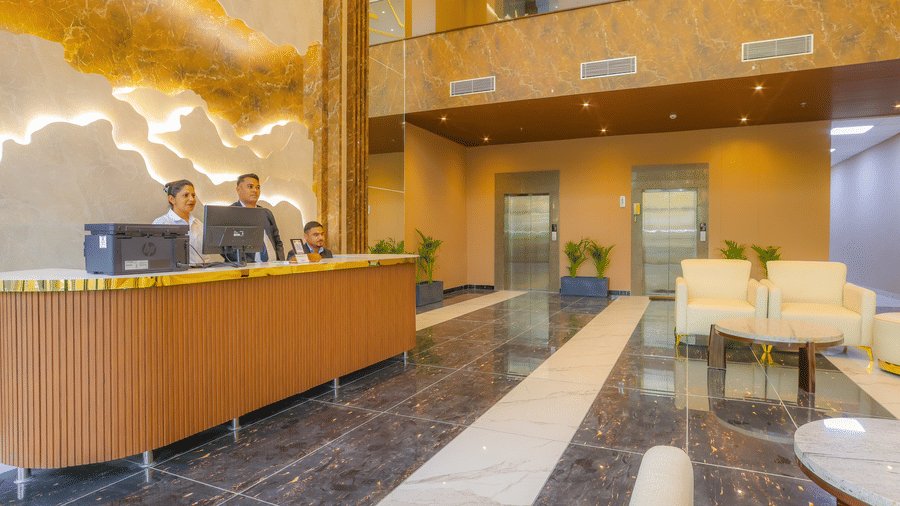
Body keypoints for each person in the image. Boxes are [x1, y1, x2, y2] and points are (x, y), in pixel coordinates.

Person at [229, 173, 284, 263]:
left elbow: (277, 241)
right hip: (248, 270)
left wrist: (280, 261)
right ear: (238, 189)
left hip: (274, 268)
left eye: (258, 187)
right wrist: (251, 264)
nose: (255, 190)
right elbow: (228, 248)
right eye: (250, 187)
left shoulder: (266, 213)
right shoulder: (230, 213)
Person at [152, 179, 209, 264]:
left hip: (201, 275)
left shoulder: (200, 225)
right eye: (185, 195)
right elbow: (154, 257)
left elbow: (206, 258)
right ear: (172, 199)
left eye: (193, 195)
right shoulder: (161, 224)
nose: (192, 199)